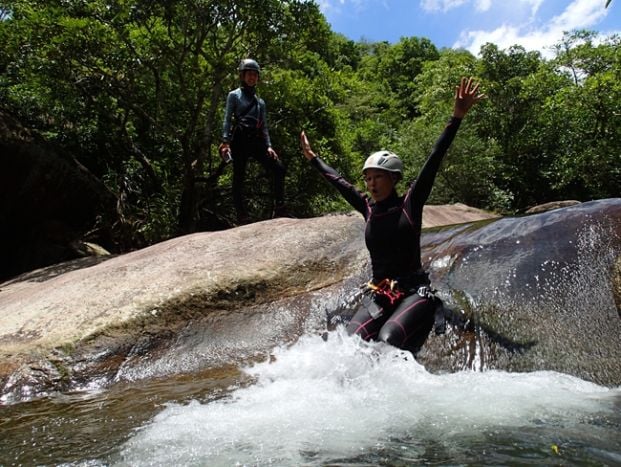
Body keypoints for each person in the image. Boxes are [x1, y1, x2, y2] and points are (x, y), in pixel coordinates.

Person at [300, 77, 485, 355]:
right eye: (368, 178)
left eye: (378, 177)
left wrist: (456, 117)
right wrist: (313, 158)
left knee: (388, 342)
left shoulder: (410, 203)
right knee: (350, 345)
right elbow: (338, 181)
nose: (371, 183)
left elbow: (434, 159)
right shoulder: (367, 207)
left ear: (394, 179)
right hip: (381, 293)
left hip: (414, 292)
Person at [220, 58, 289, 224]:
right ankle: (241, 214)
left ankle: (279, 207)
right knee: (239, 176)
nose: (252, 77)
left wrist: (269, 146)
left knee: (278, 168)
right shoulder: (234, 95)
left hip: (256, 138)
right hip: (240, 138)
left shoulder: (260, 102)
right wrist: (225, 141)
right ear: (243, 76)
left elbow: (264, 126)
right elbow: (227, 119)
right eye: (249, 74)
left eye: (254, 75)